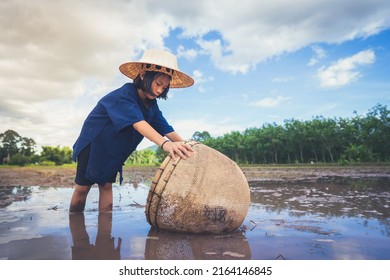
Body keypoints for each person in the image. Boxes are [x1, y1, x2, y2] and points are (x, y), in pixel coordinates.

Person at [69, 49, 195, 212]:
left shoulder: (152, 105)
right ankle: (76, 228)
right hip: (94, 143)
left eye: (164, 87)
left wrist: (189, 147)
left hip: (113, 149)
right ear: (143, 75)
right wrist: (166, 145)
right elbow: (139, 123)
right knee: (82, 188)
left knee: (106, 185)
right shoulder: (125, 95)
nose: (159, 91)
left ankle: (105, 235)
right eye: (158, 84)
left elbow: (166, 129)